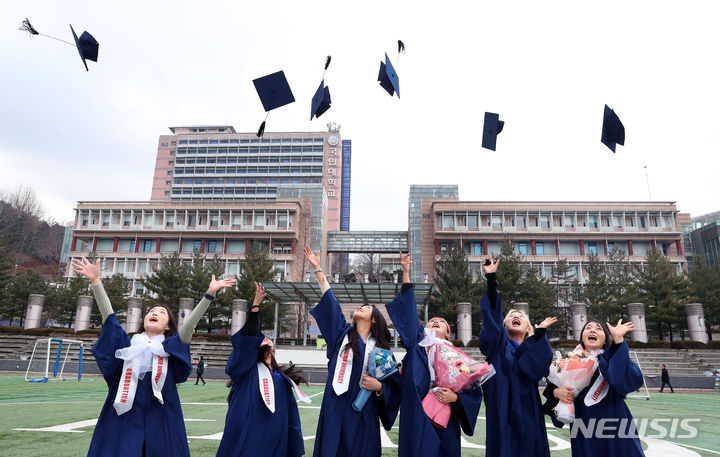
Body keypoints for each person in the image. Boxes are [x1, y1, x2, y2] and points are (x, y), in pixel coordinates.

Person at [72, 256, 236, 457]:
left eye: (161, 312)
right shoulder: (128, 346)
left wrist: (209, 294)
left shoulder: (170, 347)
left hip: (161, 408)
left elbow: (190, 325)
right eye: (151, 311)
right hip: (125, 409)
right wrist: (96, 282)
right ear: (144, 319)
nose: (155, 312)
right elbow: (109, 318)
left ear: (168, 326)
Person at [304, 246, 401, 457]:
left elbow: (395, 388)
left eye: (366, 307)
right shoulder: (342, 335)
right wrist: (318, 268)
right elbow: (331, 303)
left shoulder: (383, 353)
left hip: (364, 411)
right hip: (336, 407)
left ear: (374, 319)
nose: (361, 307)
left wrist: (380, 388)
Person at [385, 253, 484, 457]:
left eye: (442, 322)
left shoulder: (458, 358)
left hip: (445, 413)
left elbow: (473, 390)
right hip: (418, 412)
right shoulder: (417, 344)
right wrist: (406, 274)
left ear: (448, 333)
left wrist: (455, 397)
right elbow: (409, 312)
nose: (436, 321)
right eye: (432, 321)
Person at [216, 282, 306, 457]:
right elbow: (246, 342)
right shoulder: (245, 371)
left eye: (266, 338)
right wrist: (255, 308)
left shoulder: (282, 379)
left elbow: (292, 417)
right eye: (259, 339)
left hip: (274, 436)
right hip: (247, 434)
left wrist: (295, 448)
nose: (263, 339)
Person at [478, 256, 556, 457]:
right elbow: (493, 318)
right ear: (503, 326)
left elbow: (539, 369)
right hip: (501, 405)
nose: (515, 317)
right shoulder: (498, 346)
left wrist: (538, 338)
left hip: (527, 405)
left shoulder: (536, 344)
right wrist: (491, 279)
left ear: (528, 327)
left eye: (521, 316)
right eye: (511, 316)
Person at [543, 319, 645, 457]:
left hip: (615, 421)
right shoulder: (567, 363)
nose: (592, 330)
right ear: (582, 338)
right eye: (588, 328)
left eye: (598, 328)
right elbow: (553, 388)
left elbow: (630, 381)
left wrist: (619, 341)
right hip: (583, 425)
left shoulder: (612, 358)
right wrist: (556, 392)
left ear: (605, 340)